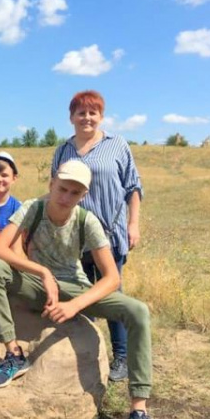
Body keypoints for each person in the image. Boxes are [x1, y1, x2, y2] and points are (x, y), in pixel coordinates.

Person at [0, 160, 156, 419]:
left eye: (74, 193)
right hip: (36, 284)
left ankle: (139, 411)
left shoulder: (87, 221)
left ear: (83, 195)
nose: (65, 197)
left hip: (75, 287)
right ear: (51, 184)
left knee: (137, 311)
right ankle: (13, 355)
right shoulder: (33, 208)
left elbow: (112, 278)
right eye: (62, 188)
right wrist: (42, 272)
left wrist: (74, 305)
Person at [52, 90, 143, 382]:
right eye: (81, 112)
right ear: (71, 117)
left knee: (111, 294)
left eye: (93, 112)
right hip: (72, 237)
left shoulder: (116, 145)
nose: (87, 118)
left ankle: (122, 356)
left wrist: (133, 224)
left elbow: (133, 187)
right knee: (80, 292)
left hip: (108, 234)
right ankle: (89, 350)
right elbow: (54, 190)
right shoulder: (63, 150)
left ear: (101, 116)